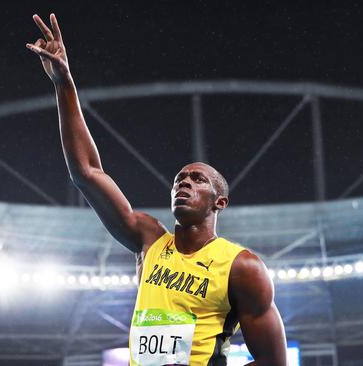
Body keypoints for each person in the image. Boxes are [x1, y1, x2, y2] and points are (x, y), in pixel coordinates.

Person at [27, 13, 287, 366]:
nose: (184, 182)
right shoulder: (149, 240)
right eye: (180, 178)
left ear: (220, 202)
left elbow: (275, 363)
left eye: (198, 179)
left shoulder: (242, 267)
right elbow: (86, 173)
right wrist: (64, 84)